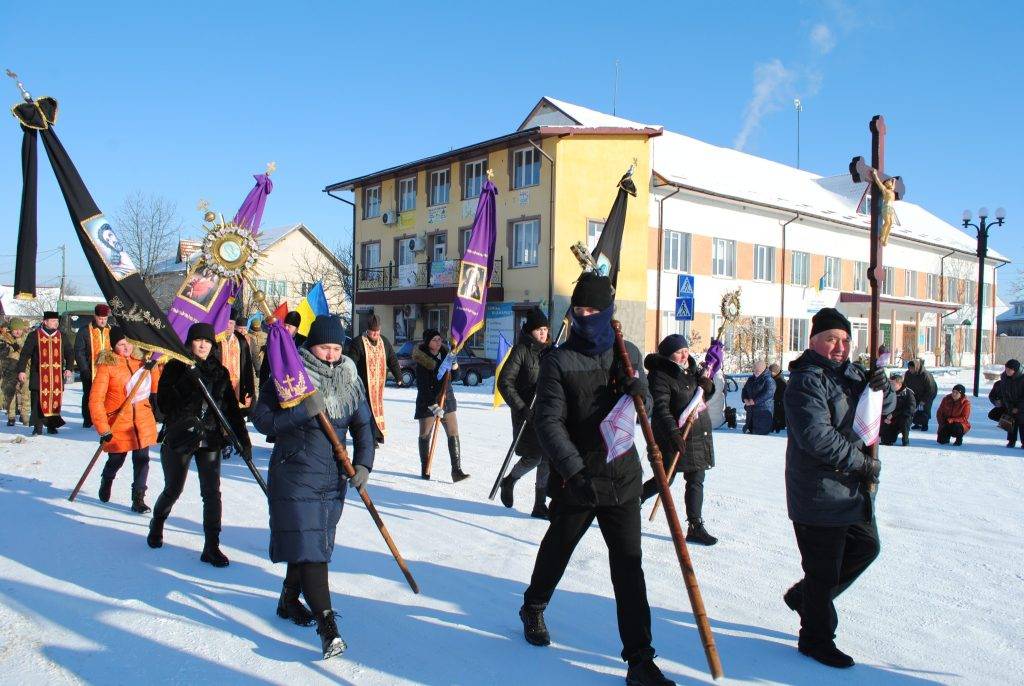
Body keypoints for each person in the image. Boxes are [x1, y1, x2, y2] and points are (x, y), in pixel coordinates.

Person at [520, 272, 675, 686]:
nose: (586, 317)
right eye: (579, 310)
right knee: (559, 549)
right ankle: (534, 605)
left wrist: (636, 385)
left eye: (594, 311)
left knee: (629, 568)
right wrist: (572, 471)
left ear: (608, 313)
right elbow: (549, 422)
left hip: (622, 477)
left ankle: (640, 659)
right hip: (578, 477)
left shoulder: (628, 353)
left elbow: (643, 401)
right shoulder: (557, 360)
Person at [251, 315, 376, 660]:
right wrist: (302, 411)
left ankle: (289, 600)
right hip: (294, 473)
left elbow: (364, 426)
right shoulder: (290, 374)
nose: (332, 354)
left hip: (332, 478)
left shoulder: (350, 377)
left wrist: (364, 464)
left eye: (337, 347)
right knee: (313, 549)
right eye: (325, 347)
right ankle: (327, 626)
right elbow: (261, 419)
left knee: (312, 542)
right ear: (311, 346)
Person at [782, 307, 893, 668]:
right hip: (819, 491)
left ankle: (807, 597)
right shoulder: (806, 381)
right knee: (823, 570)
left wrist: (884, 387)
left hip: (849, 490)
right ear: (813, 341)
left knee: (866, 546)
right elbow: (817, 437)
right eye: (831, 339)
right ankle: (815, 637)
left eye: (845, 340)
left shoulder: (853, 374)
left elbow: (882, 409)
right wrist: (863, 464)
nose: (839, 346)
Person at [148, 322, 251, 567]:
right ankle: (158, 521)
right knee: (174, 488)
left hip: (210, 438)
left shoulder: (220, 372)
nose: (203, 345)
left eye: (207, 341)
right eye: (198, 340)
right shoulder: (175, 367)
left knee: (212, 493)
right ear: (190, 343)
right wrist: (187, 379)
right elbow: (163, 405)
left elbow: (232, 411)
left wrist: (243, 440)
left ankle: (211, 546)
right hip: (182, 436)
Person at [641, 333, 718, 546]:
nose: (684, 355)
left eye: (685, 350)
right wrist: (673, 433)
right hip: (672, 436)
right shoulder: (660, 376)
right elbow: (661, 408)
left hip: (697, 433)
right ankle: (635, 498)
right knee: (665, 480)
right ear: (667, 355)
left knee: (696, 480)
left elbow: (699, 397)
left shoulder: (693, 370)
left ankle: (695, 526)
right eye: (679, 352)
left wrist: (707, 387)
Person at [89, 327, 161, 513]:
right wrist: (103, 428)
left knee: (142, 460)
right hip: (118, 422)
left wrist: (153, 369)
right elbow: (95, 400)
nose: (126, 347)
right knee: (116, 460)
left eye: (129, 342)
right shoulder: (107, 367)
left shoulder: (141, 363)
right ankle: (107, 478)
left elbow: (154, 388)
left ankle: (138, 499)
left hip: (142, 419)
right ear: (113, 346)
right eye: (121, 344)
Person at [497, 307, 551, 518]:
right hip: (526, 414)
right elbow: (505, 382)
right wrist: (521, 407)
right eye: (539, 330)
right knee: (534, 457)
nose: (543, 333)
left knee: (547, 457)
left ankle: (539, 504)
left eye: (545, 329)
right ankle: (509, 480)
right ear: (530, 331)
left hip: (548, 413)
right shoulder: (521, 351)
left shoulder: (550, 352)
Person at [413, 329, 468, 482]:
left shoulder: (447, 355)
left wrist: (455, 365)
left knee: (453, 432)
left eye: (439, 339)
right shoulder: (422, 360)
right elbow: (423, 386)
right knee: (425, 435)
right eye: (434, 340)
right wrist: (433, 406)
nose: (438, 342)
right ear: (427, 342)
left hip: (447, 399)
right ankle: (426, 467)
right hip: (428, 402)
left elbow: (455, 377)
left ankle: (456, 470)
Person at [346, 314, 403, 446]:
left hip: (377, 386)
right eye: (373, 332)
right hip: (361, 385)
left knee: (376, 410)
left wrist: (398, 376)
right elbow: (351, 363)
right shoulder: (358, 342)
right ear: (368, 330)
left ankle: (376, 435)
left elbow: (392, 359)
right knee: (365, 412)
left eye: (377, 331)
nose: (375, 334)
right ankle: (368, 437)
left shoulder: (384, 341)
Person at [17, 312, 74, 435]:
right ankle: (37, 427)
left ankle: (52, 425)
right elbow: (25, 354)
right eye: (52, 321)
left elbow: (69, 352)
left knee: (54, 400)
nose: (55, 323)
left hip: (56, 376)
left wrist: (69, 368)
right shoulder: (34, 335)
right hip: (38, 375)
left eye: (56, 321)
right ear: (45, 322)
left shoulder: (61, 336)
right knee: (37, 401)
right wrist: (21, 370)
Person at [73, 303, 112, 428]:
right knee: (89, 394)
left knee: (106, 395)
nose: (102, 321)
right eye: (100, 318)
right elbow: (79, 351)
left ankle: (103, 418)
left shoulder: (110, 330)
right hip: (90, 370)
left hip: (107, 370)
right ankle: (88, 419)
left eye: (105, 319)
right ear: (95, 317)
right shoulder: (85, 330)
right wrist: (84, 369)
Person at [221, 316, 256, 414]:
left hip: (238, 383)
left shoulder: (241, 340)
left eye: (231, 323)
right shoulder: (217, 338)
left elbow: (247, 364)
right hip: (219, 382)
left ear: (234, 325)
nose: (228, 326)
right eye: (226, 322)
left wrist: (249, 387)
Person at [1, 319, 31, 426]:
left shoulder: (27, 338)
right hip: (9, 370)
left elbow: (31, 352)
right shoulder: (4, 339)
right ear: (11, 329)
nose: (17, 332)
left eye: (19, 329)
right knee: (10, 394)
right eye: (15, 330)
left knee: (26, 393)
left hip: (24, 370)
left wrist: (20, 346)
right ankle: (11, 416)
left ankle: (25, 415)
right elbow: (2, 355)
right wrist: (8, 348)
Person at [989, 359, 1022, 447]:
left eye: (1009, 369)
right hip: (1010, 405)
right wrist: (1009, 407)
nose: (1007, 371)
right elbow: (1004, 394)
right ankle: (1011, 441)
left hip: (1021, 406)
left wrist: (1018, 408)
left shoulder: (1022, 379)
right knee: (1010, 420)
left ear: (1015, 370)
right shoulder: (1004, 379)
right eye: (1006, 369)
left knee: (1022, 422)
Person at [880, 373, 916, 447]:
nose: (891, 385)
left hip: (903, 417)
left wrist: (893, 415)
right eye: (890, 383)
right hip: (890, 417)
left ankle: (905, 440)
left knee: (905, 421)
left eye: (893, 384)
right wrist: (886, 416)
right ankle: (885, 438)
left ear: (899, 384)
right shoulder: (888, 392)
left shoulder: (908, 393)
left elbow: (910, 409)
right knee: (887, 438)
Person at [741, 360, 775, 435]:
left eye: (758, 371)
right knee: (750, 427)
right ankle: (749, 427)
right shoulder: (751, 379)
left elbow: (768, 393)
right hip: (751, 408)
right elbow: (745, 390)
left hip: (763, 409)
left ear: (763, 370)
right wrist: (745, 399)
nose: (756, 372)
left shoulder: (768, 380)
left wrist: (755, 401)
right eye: (755, 370)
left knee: (759, 431)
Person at [905, 358, 937, 431]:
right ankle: (916, 423)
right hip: (915, 394)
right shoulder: (908, 374)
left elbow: (931, 389)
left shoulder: (925, 375)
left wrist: (924, 400)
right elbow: (906, 385)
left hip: (927, 394)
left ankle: (924, 424)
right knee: (914, 408)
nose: (910, 370)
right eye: (909, 368)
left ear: (916, 367)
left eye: (912, 368)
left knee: (925, 409)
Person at [770, 363, 787, 433]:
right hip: (777, 402)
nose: (770, 373)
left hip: (779, 403)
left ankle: (780, 425)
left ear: (775, 372)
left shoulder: (780, 381)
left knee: (779, 414)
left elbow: (782, 394)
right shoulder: (774, 379)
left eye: (771, 372)